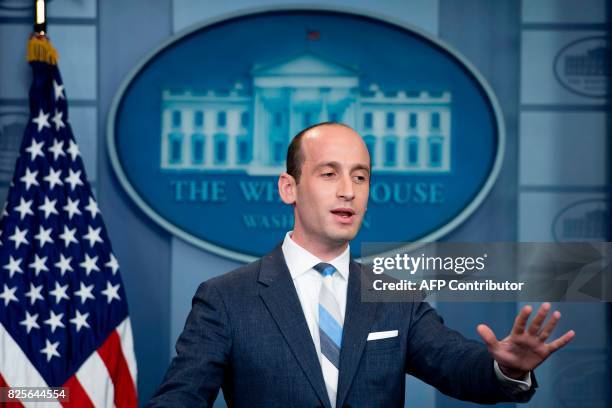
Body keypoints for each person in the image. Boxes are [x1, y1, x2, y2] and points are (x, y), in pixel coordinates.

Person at [147, 122, 575, 408]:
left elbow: (457, 366)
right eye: (329, 174)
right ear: (288, 188)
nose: (348, 191)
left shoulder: (397, 298)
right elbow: (180, 398)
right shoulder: (225, 298)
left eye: (360, 176)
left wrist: (507, 366)